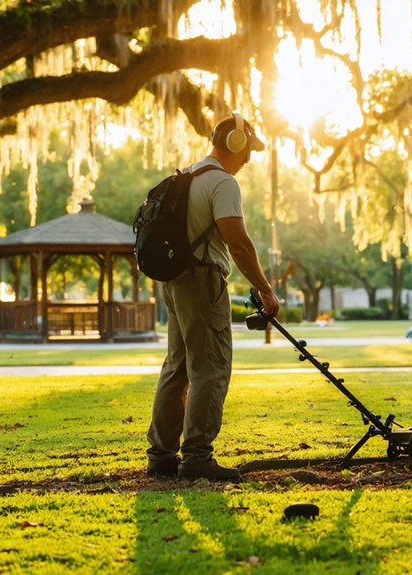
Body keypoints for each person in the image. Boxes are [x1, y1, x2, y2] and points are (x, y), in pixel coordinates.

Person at [146, 112, 281, 481]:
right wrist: (266, 289)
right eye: (248, 150)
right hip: (202, 282)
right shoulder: (222, 183)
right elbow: (238, 244)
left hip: (174, 282)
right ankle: (196, 458)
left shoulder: (188, 176)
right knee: (210, 367)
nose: (248, 159)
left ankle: (161, 456)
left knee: (177, 368)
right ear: (235, 144)